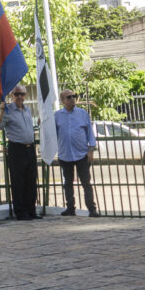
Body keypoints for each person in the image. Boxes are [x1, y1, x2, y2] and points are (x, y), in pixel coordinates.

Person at [0, 84, 38, 220]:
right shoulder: (8, 110)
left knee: (31, 181)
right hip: (16, 149)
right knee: (19, 182)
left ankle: (31, 210)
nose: (19, 97)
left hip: (29, 148)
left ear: (25, 96)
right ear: (12, 96)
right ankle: (21, 212)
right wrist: (1, 112)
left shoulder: (28, 109)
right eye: (16, 94)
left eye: (22, 94)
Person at [54, 89, 99, 218]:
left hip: (81, 154)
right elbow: (52, 132)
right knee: (68, 183)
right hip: (65, 154)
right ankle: (70, 208)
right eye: (69, 97)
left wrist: (91, 150)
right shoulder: (57, 115)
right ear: (62, 100)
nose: (72, 98)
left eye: (74, 96)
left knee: (86, 182)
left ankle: (92, 209)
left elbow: (90, 133)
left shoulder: (83, 113)